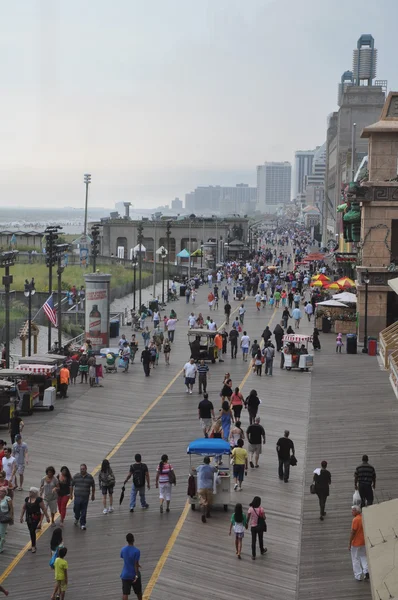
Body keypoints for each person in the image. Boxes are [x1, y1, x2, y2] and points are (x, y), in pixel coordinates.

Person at [20, 487, 50, 553]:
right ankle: (33, 544)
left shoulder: (38, 500)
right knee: (31, 531)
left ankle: (33, 546)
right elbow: (24, 508)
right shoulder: (27, 499)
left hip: (35, 517)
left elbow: (43, 508)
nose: (29, 493)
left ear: (34, 493)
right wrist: (21, 517)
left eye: (30, 492)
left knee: (32, 530)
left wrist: (47, 517)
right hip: (28, 517)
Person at [71, 463, 95, 530]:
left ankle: (83, 524)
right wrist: (71, 494)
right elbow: (71, 485)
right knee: (76, 508)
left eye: (83, 469)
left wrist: (93, 495)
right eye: (81, 469)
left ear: (86, 469)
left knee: (84, 511)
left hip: (85, 497)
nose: (82, 470)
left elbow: (93, 486)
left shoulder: (90, 477)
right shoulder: (76, 476)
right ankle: (77, 517)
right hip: (77, 496)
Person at [348, 506, 369, 581]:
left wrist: (350, 543)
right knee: (363, 556)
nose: (352, 512)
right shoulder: (363, 518)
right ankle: (366, 571)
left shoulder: (355, 520)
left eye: (353, 510)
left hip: (356, 543)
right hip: (363, 541)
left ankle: (358, 575)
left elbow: (353, 532)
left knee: (355, 558)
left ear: (357, 511)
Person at [195, 456, 217, 523]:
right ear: (209, 461)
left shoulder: (200, 467)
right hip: (209, 487)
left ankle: (203, 514)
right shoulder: (211, 467)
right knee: (209, 501)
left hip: (201, 487)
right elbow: (216, 470)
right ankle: (208, 513)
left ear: (203, 461)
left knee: (202, 502)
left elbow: (195, 469)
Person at [120, 533, 142, 600]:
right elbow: (135, 564)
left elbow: (124, 557)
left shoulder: (123, 549)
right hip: (133, 574)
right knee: (138, 592)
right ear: (133, 539)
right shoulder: (137, 551)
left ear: (127, 540)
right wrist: (136, 575)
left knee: (125, 593)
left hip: (125, 574)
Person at [0, 487, 13, 554]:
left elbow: (11, 509)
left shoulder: (8, 499)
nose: (0, 492)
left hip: (4, 517)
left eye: (2, 491)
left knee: (1, 533)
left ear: (5, 492)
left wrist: (11, 518)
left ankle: (1, 547)